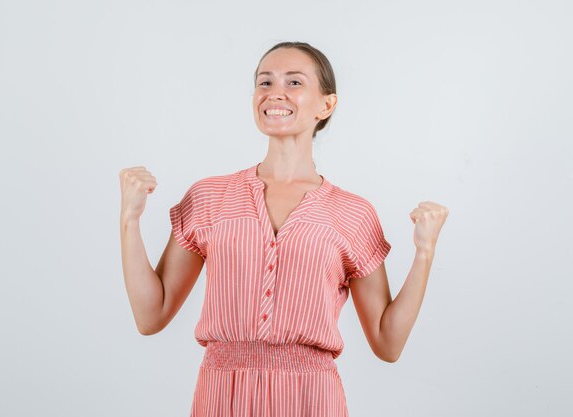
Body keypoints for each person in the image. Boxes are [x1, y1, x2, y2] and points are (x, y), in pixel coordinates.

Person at [119, 41, 449, 417]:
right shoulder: (210, 197)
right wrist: (129, 220)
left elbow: (388, 344)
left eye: (294, 82)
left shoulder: (353, 214)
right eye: (265, 82)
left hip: (312, 397)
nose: (275, 93)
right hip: (220, 396)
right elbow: (151, 316)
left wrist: (425, 253)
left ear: (326, 105)